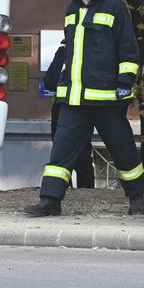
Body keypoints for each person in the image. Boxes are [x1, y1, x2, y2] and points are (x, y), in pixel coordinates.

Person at [24, 0, 144, 217]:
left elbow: (128, 49)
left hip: (106, 98)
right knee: (61, 151)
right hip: (74, 99)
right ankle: (50, 200)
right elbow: (69, 52)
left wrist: (125, 82)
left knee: (123, 149)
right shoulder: (72, 10)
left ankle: (136, 198)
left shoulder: (115, 8)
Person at [42, 38, 94, 188]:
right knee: (83, 154)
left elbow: (50, 81)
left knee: (61, 152)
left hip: (63, 107)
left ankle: (62, 188)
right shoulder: (93, 53)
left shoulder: (64, 52)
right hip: (85, 106)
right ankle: (86, 191)